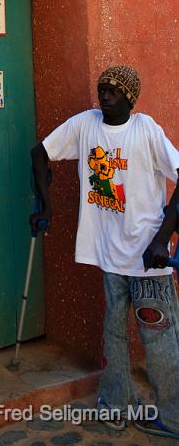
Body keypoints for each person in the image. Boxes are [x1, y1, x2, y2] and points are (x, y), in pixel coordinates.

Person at [30, 65, 179, 438]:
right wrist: (44, 206)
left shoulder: (146, 131)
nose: (105, 94)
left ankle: (174, 418)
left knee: (158, 338)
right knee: (113, 333)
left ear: (130, 97)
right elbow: (40, 152)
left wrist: (162, 239)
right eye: (102, 88)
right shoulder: (85, 124)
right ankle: (115, 405)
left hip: (148, 259)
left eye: (114, 90)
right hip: (109, 256)